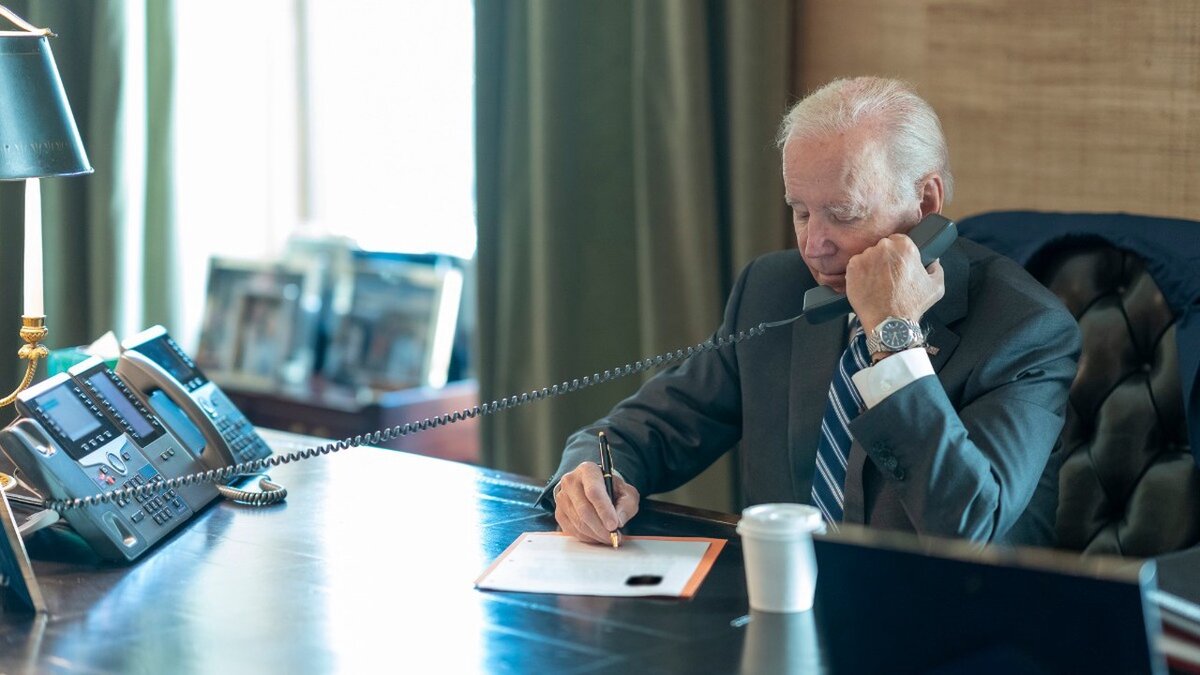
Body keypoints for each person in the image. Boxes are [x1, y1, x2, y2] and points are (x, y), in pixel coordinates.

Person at [538, 76, 1081, 547]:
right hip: (784, 610)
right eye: (800, 212)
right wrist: (588, 476)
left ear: (925, 204)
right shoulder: (774, 289)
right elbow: (652, 428)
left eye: (843, 214)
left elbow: (967, 525)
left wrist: (894, 337)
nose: (814, 246)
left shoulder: (1026, 330)